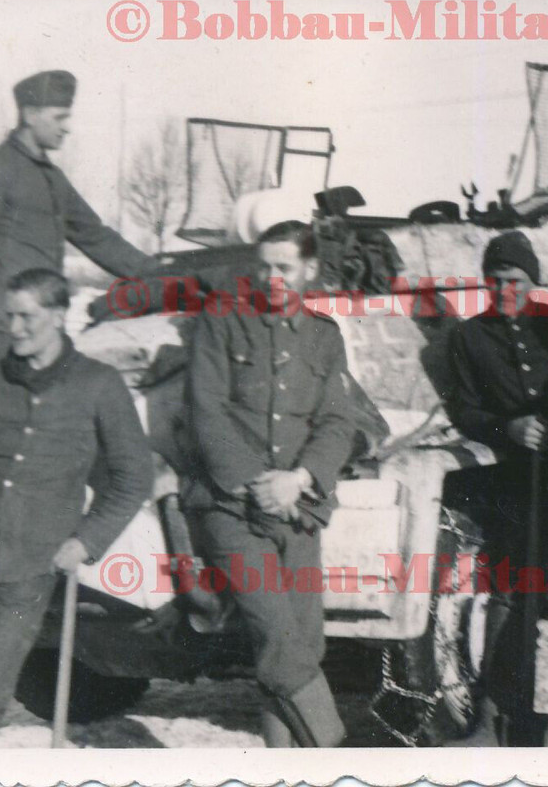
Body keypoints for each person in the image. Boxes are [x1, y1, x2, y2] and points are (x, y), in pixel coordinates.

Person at [0, 268, 154, 748]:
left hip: (26, 568)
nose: (14, 328)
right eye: (9, 316)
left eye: (26, 317)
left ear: (58, 316)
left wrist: (87, 539)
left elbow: (133, 476)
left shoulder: (98, 386)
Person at [181, 220, 357, 747]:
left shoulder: (325, 337)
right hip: (230, 508)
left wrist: (299, 479)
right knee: (279, 639)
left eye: (283, 267)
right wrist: (253, 484)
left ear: (309, 270)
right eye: (264, 266)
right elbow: (205, 410)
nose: (272, 277)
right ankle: (338, 756)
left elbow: (337, 422)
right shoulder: (221, 323)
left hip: (299, 506)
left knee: (303, 642)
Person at [443, 230, 548, 745]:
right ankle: (498, 718)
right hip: (529, 482)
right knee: (517, 594)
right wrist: (510, 430)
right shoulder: (469, 338)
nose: (505, 290)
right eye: (495, 280)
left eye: (515, 279)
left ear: (532, 280)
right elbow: (466, 411)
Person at [0, 70, 157, 370]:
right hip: (1, 328)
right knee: (5, 412)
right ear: (30, 115)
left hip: (41, 327)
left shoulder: (51, 177)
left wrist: (155, 271)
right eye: (59, 117)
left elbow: (94, 235)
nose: (68, 128)